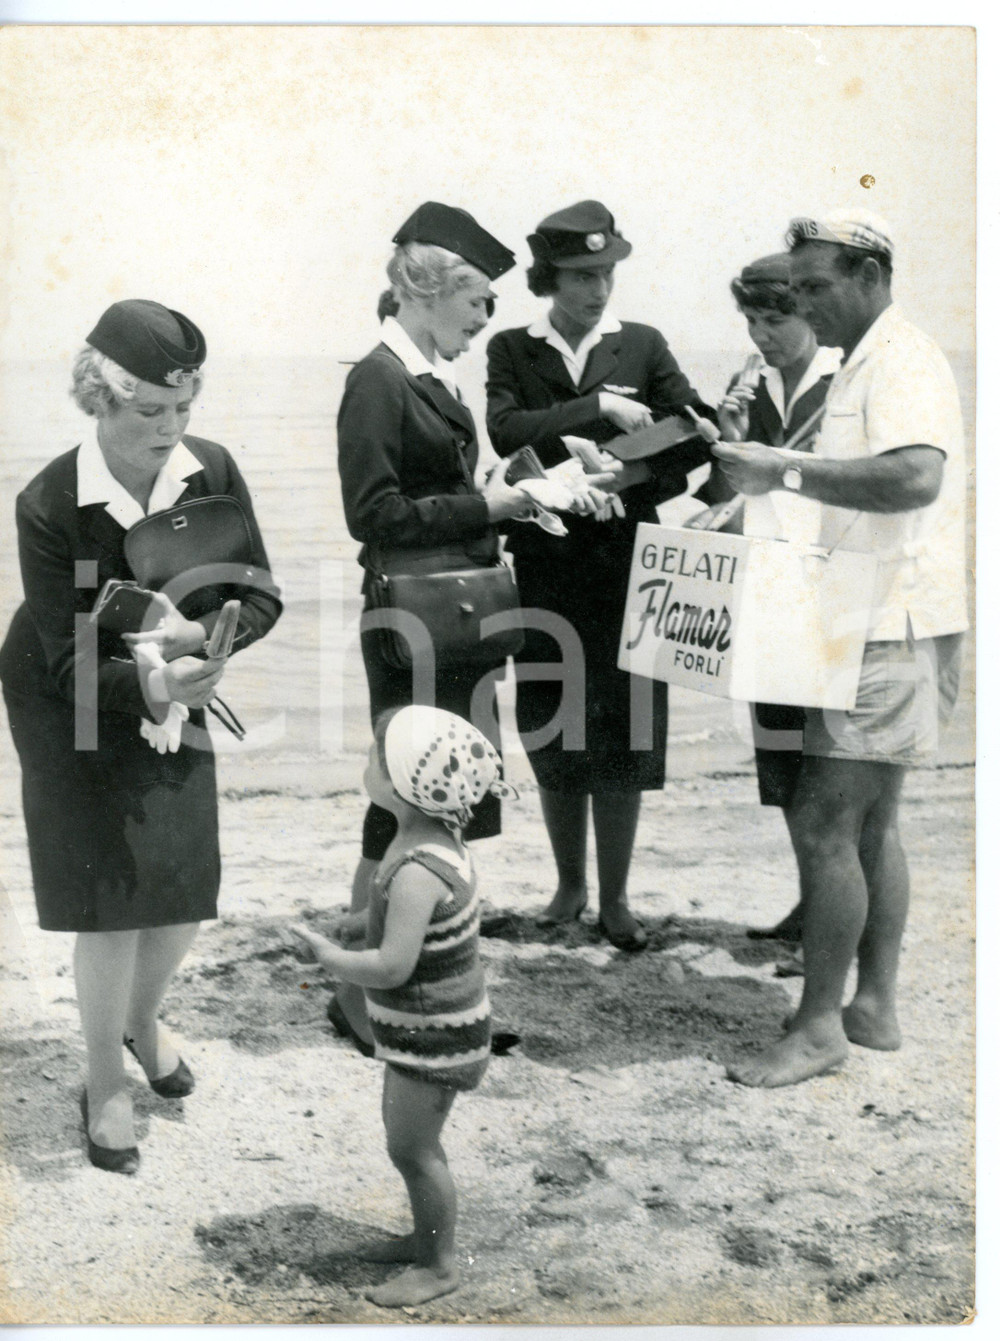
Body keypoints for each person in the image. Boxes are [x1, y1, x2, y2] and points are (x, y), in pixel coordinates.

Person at [0, 300, 282, 1169]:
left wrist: (206, 644)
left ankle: (142, 1019)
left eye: (183, 407)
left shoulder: (213, 470)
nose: (170, 428)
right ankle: (102, 1075)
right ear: (100, 397)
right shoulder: (50, 502)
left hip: (176, 682)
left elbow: (261, 594)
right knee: (110, 901)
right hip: (68, 698)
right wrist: (159, 677)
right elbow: (68, 665)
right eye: (148, 411)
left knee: (184, 883)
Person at [713, 211, 967, 1087]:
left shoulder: (898, 358)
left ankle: (820, 1025)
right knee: (869, 824)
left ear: (868, 276)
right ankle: (874, 1004)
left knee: (826, 822)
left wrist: (778, 469)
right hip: (875, 614)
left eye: (818, 286)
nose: (805, 303)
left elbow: (913, 477)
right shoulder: (869, 359)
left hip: (886, 624)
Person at [485, 200, 715, 950]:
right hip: (546, 564)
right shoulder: (512, 347)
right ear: (549, 277)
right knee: (553, 722)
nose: (598, 289)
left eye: (608, 272)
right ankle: (567, 886)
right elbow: (506, 430)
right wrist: (597, 407)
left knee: (624, 733)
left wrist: (626, 479)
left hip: (628, 567)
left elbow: (694, 434)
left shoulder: (643, 343)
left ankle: (614, 896)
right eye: (583, 275)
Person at [334, 202, 531, 1052]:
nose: (486, 320)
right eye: (478, 300)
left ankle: (424, 982)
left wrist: (526, 487)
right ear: (430, 289)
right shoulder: (377, 378)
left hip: (454, 615)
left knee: (442, 801)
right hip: (415, 622)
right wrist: (487, 501)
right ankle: (356, 995)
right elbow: (371, 512)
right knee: (402, 800)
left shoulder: (431, 376)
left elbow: (437, 496)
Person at [290, 706, 512, 1309]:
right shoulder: (432, 844)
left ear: (402, 784)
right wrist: (367, 918)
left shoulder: (416, 868)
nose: (365, 764)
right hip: (437, 1027)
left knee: (412, 1149)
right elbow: (420, 924)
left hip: (434, 1036)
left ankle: (439, 1266)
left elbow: (391, 966)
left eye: (373, 757)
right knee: (411, 1143)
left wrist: (331, 956)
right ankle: (424, 1236)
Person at [694, 253, 841, 946]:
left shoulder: (844, 380)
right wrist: (725, 443)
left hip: (834, 591)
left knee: (833, 765)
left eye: (775, 318)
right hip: (767, 588)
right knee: (782, 758)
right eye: (751, 320)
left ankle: (834, 911)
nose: (761, 334)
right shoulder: (746, 385)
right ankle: (812, 898)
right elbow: (725, 498)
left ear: (809, 309)